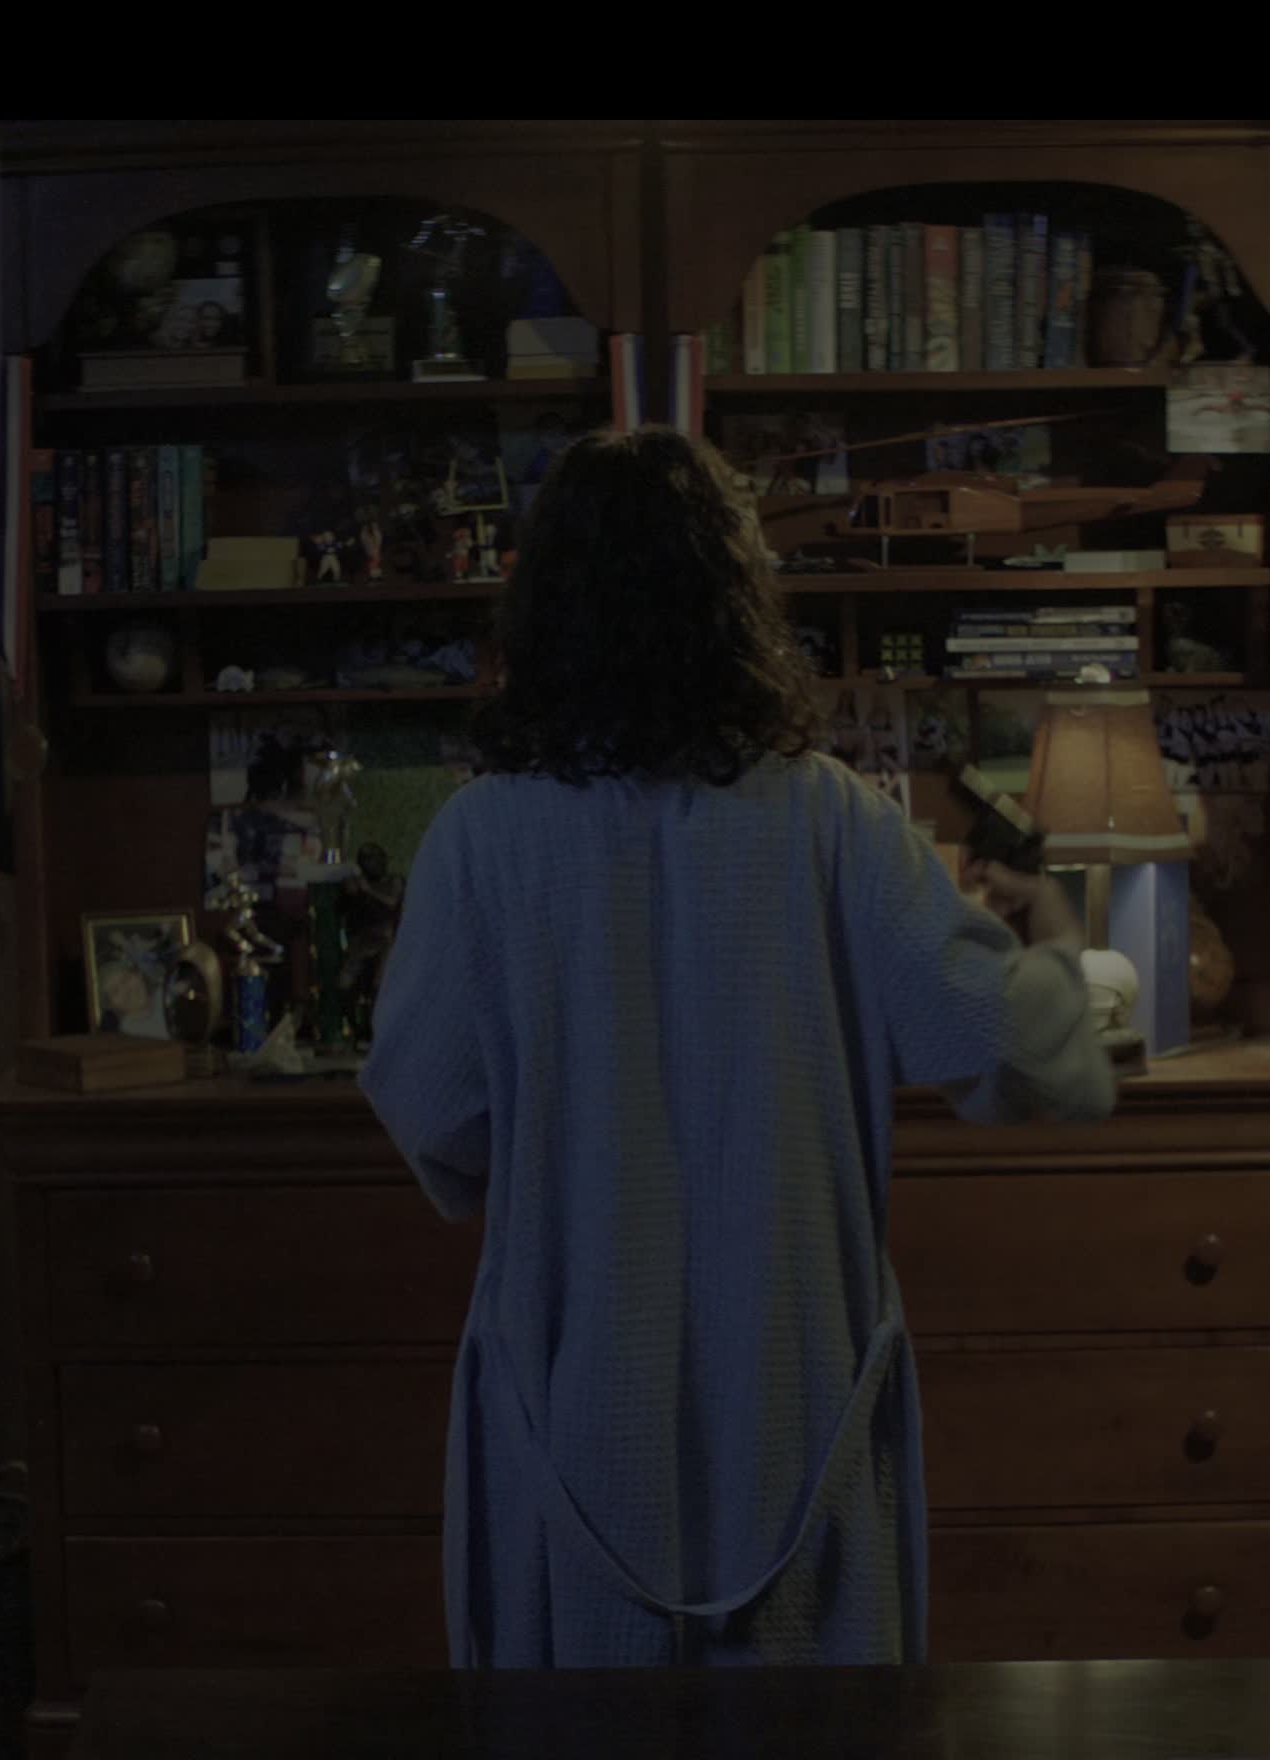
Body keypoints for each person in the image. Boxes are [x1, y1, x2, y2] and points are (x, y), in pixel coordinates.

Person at [361, 427, 1115, 1670]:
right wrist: (1056, 941)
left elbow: (433, 1109)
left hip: (578, 1368)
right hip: (789, 1374)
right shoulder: (836, 822)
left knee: (580, 1739)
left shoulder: (479, 841)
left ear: (546, 609)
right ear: (736, 600)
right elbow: (1004, 1044)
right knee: (804, 1739)